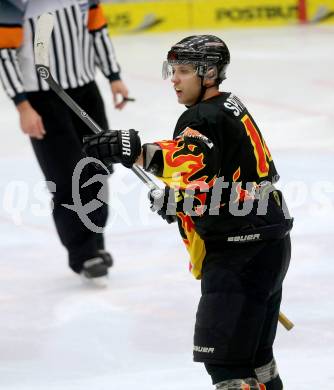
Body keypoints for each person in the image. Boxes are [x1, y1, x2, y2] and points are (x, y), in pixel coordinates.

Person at [83, 35, 293, 389]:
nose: (174, 80)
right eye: (173, 70)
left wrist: (134, 150)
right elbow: (222, 178)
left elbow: (188, 157)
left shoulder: (203, 116)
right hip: (269, 244)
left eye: (182, 71)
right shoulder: (230, 106)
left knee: (227, 368)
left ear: (208, 73)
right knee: (257, 361)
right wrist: (181, 203)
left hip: (239, 254)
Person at [0, 0, 130, 282]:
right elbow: (4, 52)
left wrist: (113, 76)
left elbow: (97, 29)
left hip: (85, 90)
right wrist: (23, 106)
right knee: (66, 178)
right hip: (42, 98)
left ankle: (96, 245)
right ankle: (83, 254)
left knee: (98, 168)